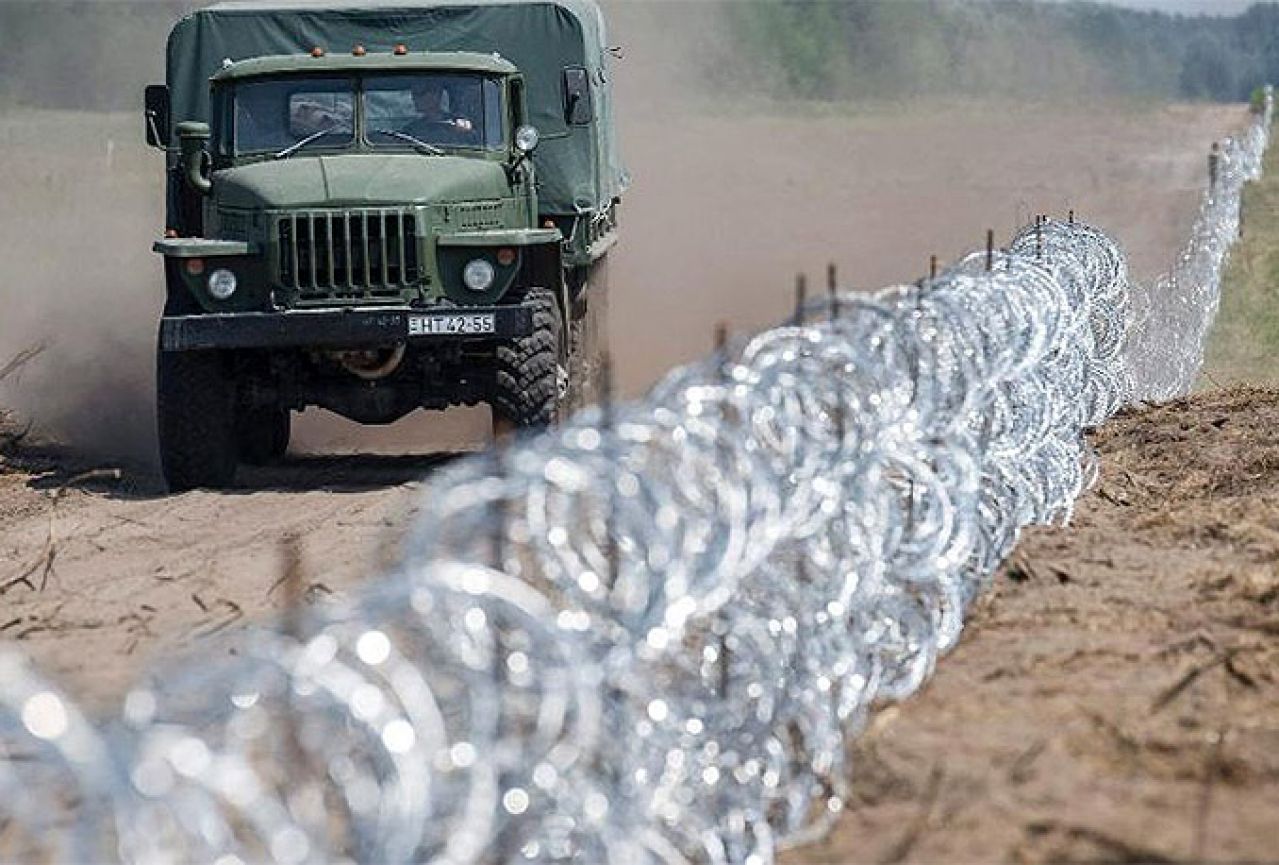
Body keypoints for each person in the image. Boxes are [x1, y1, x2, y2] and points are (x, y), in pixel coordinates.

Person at [406, 78, 476, 143]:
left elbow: (473, 144)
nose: (415, 99)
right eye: (414, 94)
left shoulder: (456, 124)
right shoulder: (412, 128)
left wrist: (465, 130)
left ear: (436, 95)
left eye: (420, 93)